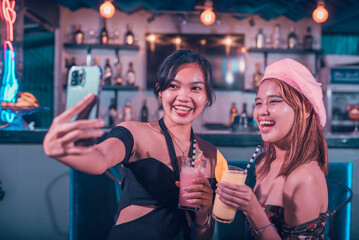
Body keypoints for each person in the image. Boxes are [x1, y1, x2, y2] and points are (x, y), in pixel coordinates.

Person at [43, 49, 218, 240]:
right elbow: (100, 158)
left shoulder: (210, 154)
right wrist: (61, 151)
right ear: (160, 91)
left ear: (207, 96)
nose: (184, 97)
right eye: (173, 86)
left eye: (195, 88)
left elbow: (203, 235)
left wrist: (203, 215)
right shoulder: (135, 133)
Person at [216, 58, 329, 239]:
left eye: (274, 101)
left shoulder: (304, 178)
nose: (261, 111)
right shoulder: (263, 164)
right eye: (259, 103)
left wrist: (252, 208)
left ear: (306, 109)